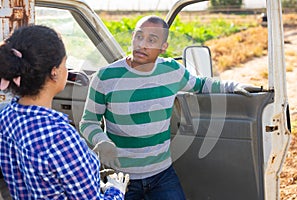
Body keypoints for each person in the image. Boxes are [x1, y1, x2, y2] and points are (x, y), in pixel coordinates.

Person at [80, 15, 256, 200]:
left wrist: (233, 87)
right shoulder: (105, 77)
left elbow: (200, 84)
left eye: (152, 40)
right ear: (132, 37)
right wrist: (102, 140)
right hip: (120, 179)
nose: (142, 44)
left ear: (164, 47)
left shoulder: (172, 70)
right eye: (138, 36)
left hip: (162, 175)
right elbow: (88, 121)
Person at [0, 25, 129, 199]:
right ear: (54, 72)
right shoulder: (60, 137)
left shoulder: (7, 117)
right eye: (65, 63)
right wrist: (116, 190)